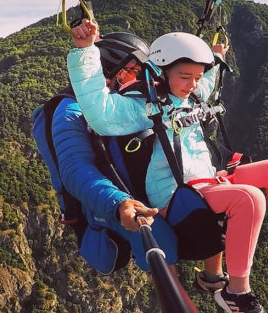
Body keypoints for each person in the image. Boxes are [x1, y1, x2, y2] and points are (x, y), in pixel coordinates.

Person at [68, 20, 268, 313]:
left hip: (204, 180)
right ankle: (236, 292)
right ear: (161, 72)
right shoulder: (142, 107)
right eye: (184, 76)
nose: (192, 83)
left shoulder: (189, 94)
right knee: (250, 198)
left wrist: (217, 57)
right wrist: (85, 52)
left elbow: (207, 82)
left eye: (195, 76)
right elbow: (100, 112)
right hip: (174, 192)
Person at [52, 31, 180, 273]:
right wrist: (117, 202)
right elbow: (75, 169)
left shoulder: (121, 103)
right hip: (106, 198)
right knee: (163, 246)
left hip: (130, 184)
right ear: (109, 70)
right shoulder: (70, 110)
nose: (140, 79)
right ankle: (175, 300)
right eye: (133, 71)